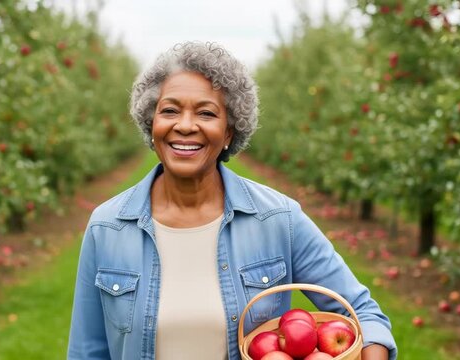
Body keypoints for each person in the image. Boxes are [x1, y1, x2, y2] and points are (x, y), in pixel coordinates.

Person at [68, 41, 397, 360]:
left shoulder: (278, 220)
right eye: (169, 110)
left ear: (229, 132)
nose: (185, 125)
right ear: (151, 124)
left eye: (206, 113)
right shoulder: (107, 228)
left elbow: (365, 316)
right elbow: (87, 352)